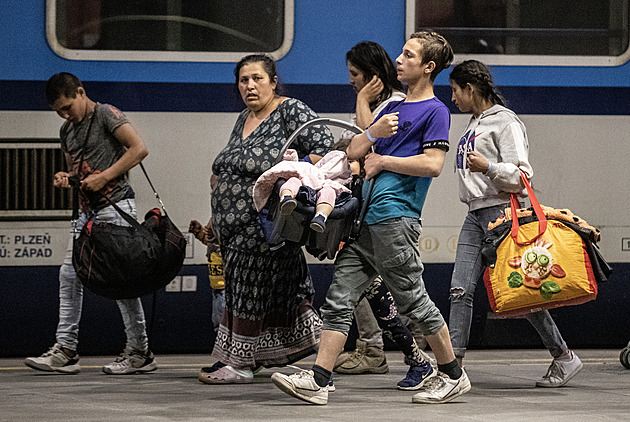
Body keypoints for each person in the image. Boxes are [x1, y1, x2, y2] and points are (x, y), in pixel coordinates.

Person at [272, 31, 471, 405]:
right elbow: (354, 149)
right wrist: (372, 133)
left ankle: (452, 375)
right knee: (340, 296)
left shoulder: (435, 111)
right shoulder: (393, 109)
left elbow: (433, 164)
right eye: (401, 53)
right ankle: (319, 379)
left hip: (396, 218)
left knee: (412, 299)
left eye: (409, 55)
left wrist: (385, 160)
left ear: (428, 67)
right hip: (365, 219)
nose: (399, 59)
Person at [198, 54, 334, 384]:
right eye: (243, 80)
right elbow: (229, 167)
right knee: (249, 291)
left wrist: (290, 174)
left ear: (273, 81)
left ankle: (241, 364)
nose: (249, 86)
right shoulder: (243, 117)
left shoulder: (290, 110)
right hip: (231, 226)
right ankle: (245, 357)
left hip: (263, 222)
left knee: (250, 290)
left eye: (257, 78)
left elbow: (325, 148)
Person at [447, 59, 583, 387]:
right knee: (459, 289)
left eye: (455, 91)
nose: (452, 98)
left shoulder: (505, 122)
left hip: (502, 216)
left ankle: (564, 356)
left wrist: (489, 167)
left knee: (523, 292)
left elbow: (522, 174)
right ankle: (453, 368)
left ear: (470, 88)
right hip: (475, 215)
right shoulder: (476, 122)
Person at [24, 72, 157, 375]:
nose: (64, 115)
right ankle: (66, 350)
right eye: (58, 111)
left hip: (115, 208)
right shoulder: (66, 131)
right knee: (69, 276)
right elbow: (78, 173)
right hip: (86, 214)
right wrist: (66, 178)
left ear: (81, 93)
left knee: (121, 283)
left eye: (68, 107)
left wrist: (105, 177)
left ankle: (140, 351)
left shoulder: (107, 114)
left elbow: (139, 149)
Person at [334, 40, 430, 382]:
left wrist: (362, 102)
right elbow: (352, 149)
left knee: (400, 288)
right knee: (363, 288)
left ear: (372, 76)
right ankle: (382, 351)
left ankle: (425, 355)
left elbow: (366, 142)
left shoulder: (396, 104)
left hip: (389, 209)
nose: (351, 81)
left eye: (355, 74)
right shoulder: (382, 105)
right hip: (367, 209)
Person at [252, 143, 353, 233]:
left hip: (326, 187)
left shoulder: (352, 178)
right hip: (309, 182)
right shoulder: (337, 157)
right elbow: (326, 170)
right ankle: (287, 198)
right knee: (293, 181)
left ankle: (321, 216)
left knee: (329, 193)